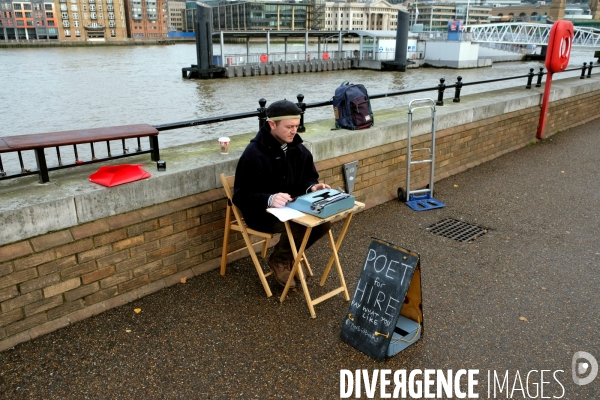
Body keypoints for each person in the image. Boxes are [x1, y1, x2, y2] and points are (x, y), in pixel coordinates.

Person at [233, 99, 331, 288]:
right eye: (289, 127)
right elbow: (241, 196)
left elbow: (307, 179)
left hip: (291, 207)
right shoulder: (253, 154)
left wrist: (312, 188)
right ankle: (280, 261)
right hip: (260, 213)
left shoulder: (299, 150)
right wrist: (270, 198)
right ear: (272, 124)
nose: (294, 131)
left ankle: (285, 256)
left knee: (322, 224)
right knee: (299, 225)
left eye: (296, 125)